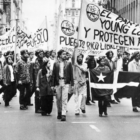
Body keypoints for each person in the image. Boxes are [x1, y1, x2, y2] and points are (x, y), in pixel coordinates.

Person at [52, 49, 74, 121]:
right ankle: (59, 111)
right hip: (58, 82)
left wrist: (72, 84)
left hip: (65, 82)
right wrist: (53, 85)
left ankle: (63, 114)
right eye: (63, 54)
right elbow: (53, 75)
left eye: (65, 54)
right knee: (58, 98)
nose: (65, 55)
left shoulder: (69, 63)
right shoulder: (56, 63)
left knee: (64, 98)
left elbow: (71, 74)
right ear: (60, 55)